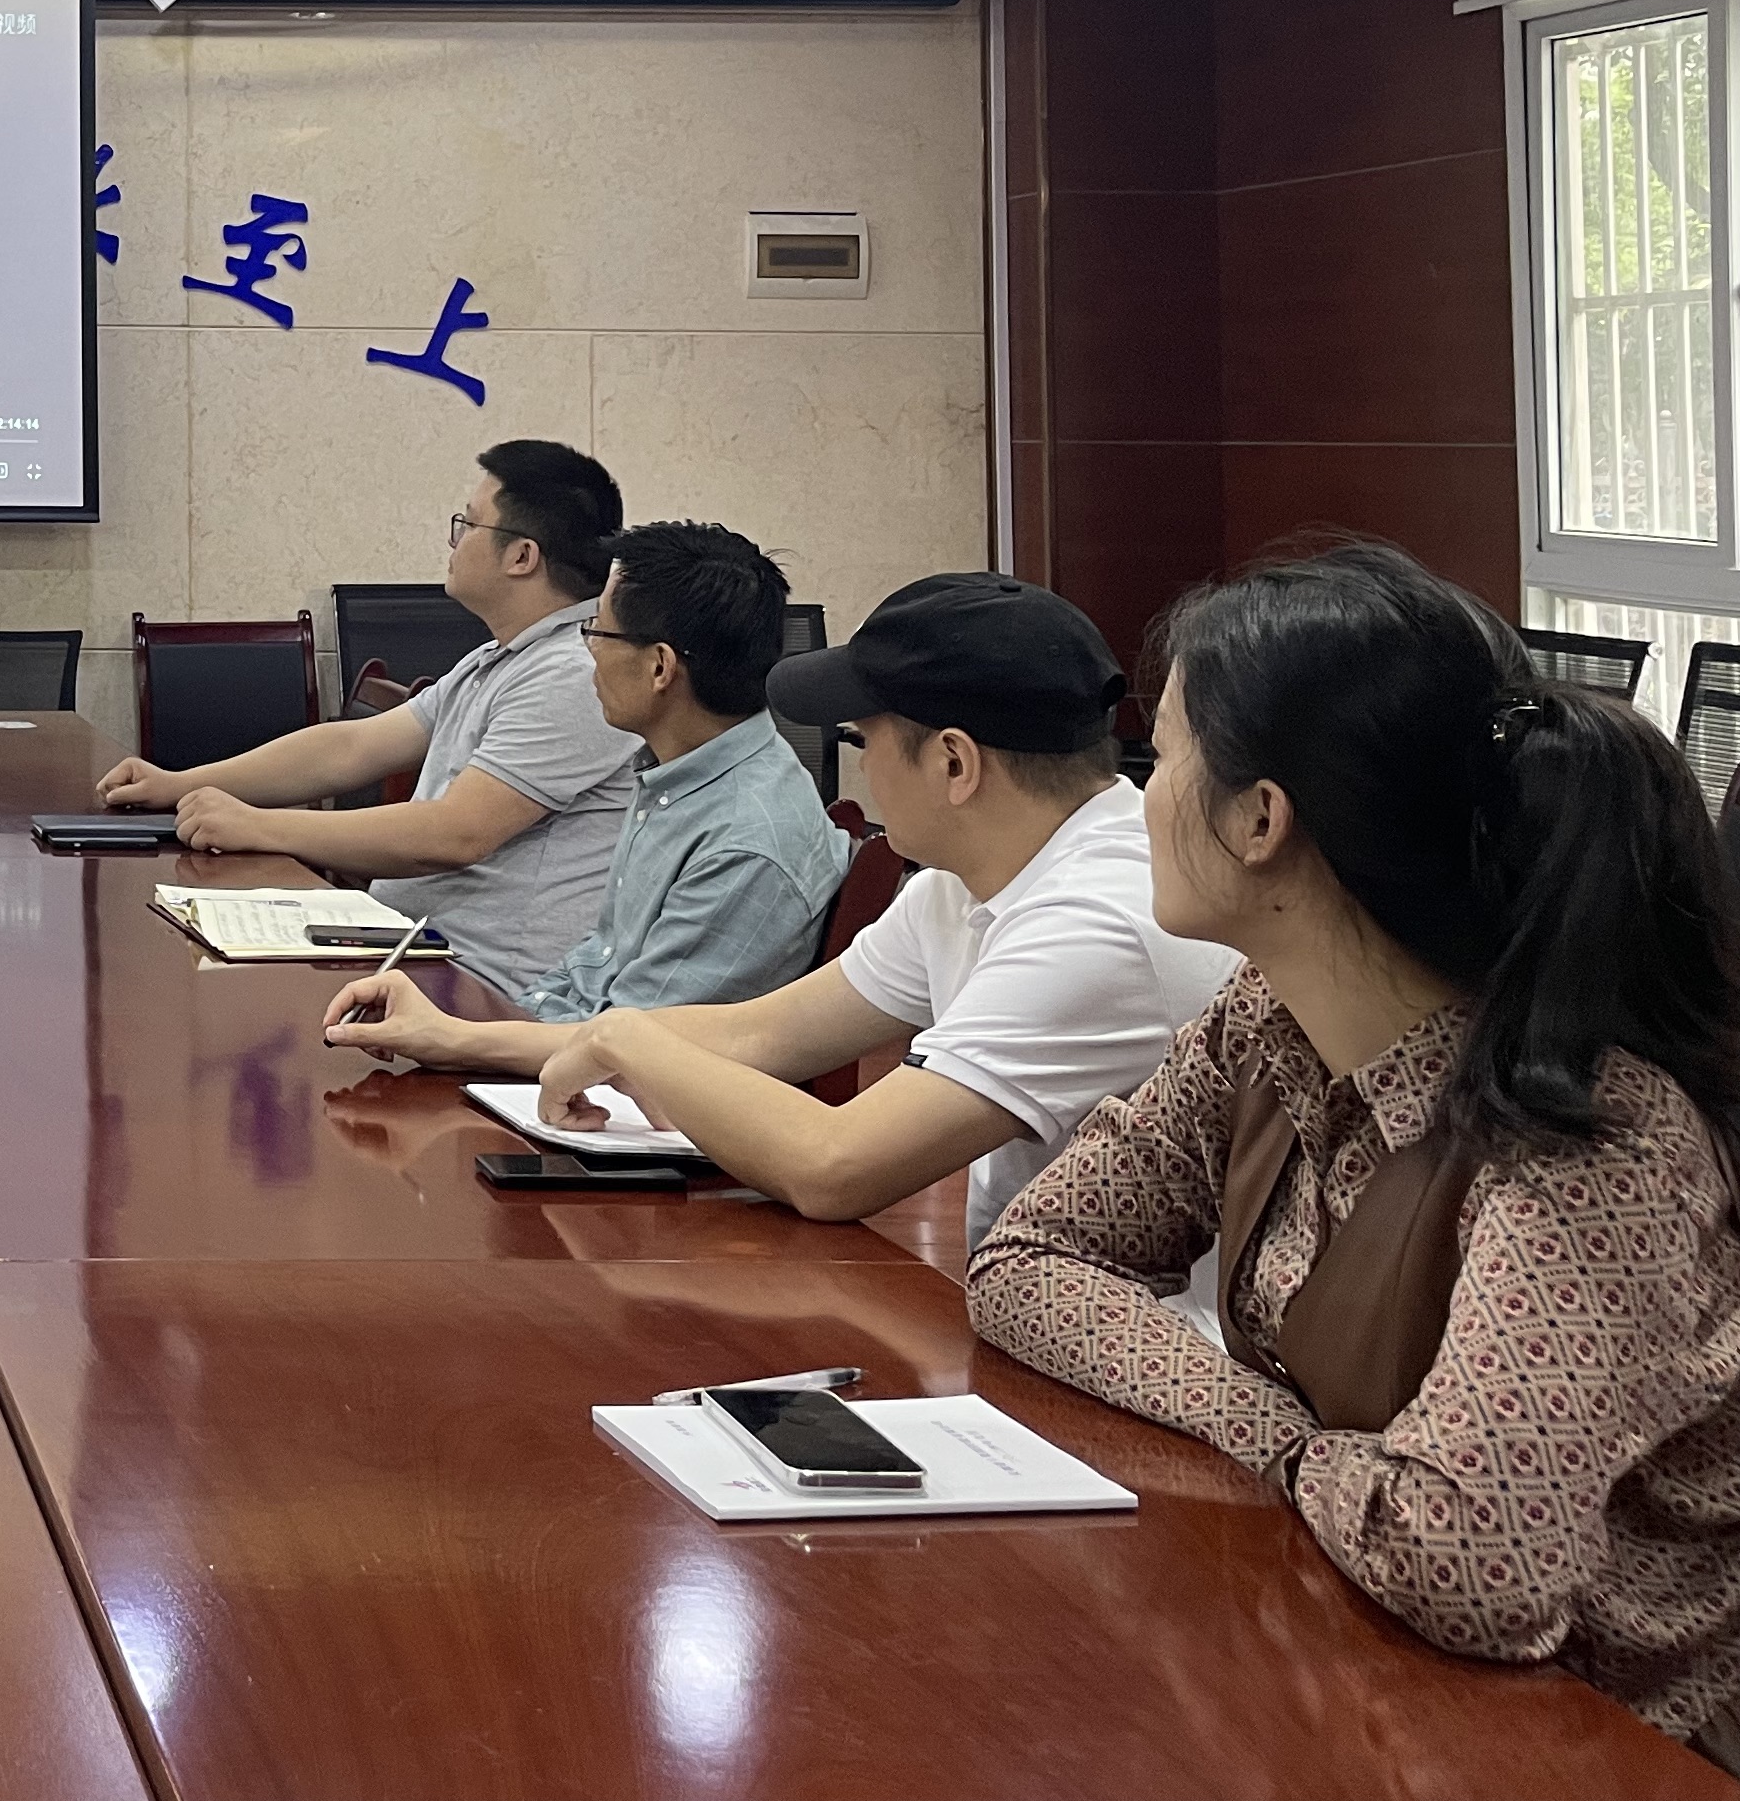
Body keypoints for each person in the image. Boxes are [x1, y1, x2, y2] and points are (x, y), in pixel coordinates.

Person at [969, 542, 1740, 1759]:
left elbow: (1469, 1563)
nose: (1144, 790)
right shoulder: (1262, 1023)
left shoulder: (1591, 1144)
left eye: (1164, 754)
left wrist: (1279, 1446)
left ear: (1261, 819)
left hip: (1594, 1748)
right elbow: (1030, 1259)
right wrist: (1256, 1417)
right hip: (1344, 1665)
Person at [526, 571, 1234, 1247]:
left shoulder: (1095, 922)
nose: (862, 768)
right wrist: (489, 1040)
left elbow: (836, 1167)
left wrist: (628, 1041)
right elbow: (760, 1034)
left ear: (954, 764)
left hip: (1135, 1325)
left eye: (866, 740)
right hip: (1031, 1300)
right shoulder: (965, 878)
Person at [98, 440, 642, 996]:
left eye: (468, 525)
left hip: (486, 988)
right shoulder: (503, 657)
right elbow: (350, 749)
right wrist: (178, 783)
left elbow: (455, 834)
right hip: (411, 950)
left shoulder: (571, 673)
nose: (452, 541)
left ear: (521, 557)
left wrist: (258, 825)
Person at [319, 519, 850, 1074]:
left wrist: (456, 1040)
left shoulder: (746, 842)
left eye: (598, 630)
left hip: (622, 1103)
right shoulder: (681, 770)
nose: (588, 650)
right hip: (572, 1056)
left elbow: (637, 1050)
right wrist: (482, 1025)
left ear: (660, 667)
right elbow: (595, 962)